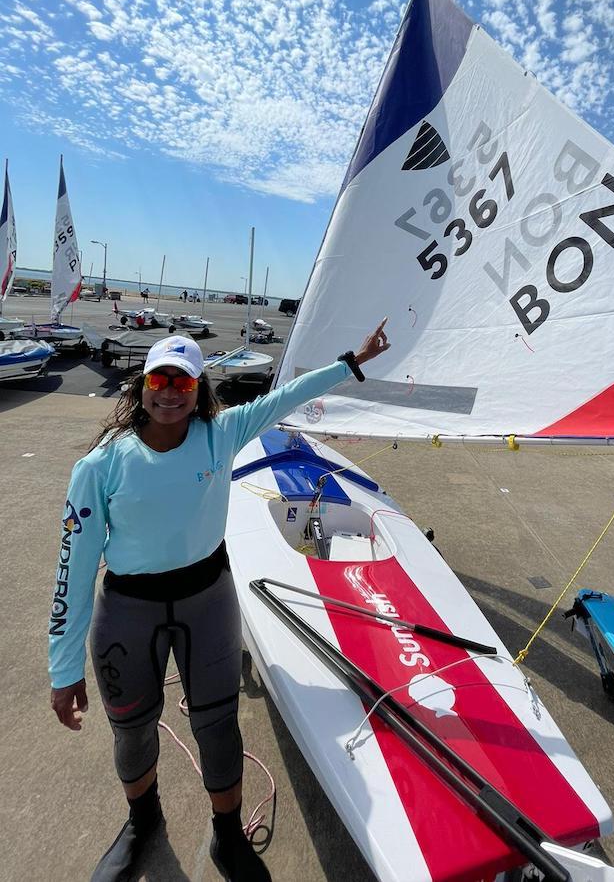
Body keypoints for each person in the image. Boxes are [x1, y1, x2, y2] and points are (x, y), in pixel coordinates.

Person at [49, 320, 391, 882]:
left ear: (198, 391)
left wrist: (351, 362)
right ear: (140, 385)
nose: (167, 393)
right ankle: (142, 822)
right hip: (129, 610)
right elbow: (73, 572)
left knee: (219, 725)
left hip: (207, 600)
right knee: (132, 730)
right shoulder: (99, 467)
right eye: (158, 379)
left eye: (182, 384)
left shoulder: (221, 434)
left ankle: (226, 837)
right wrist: (63, 671)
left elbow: (285, 397)